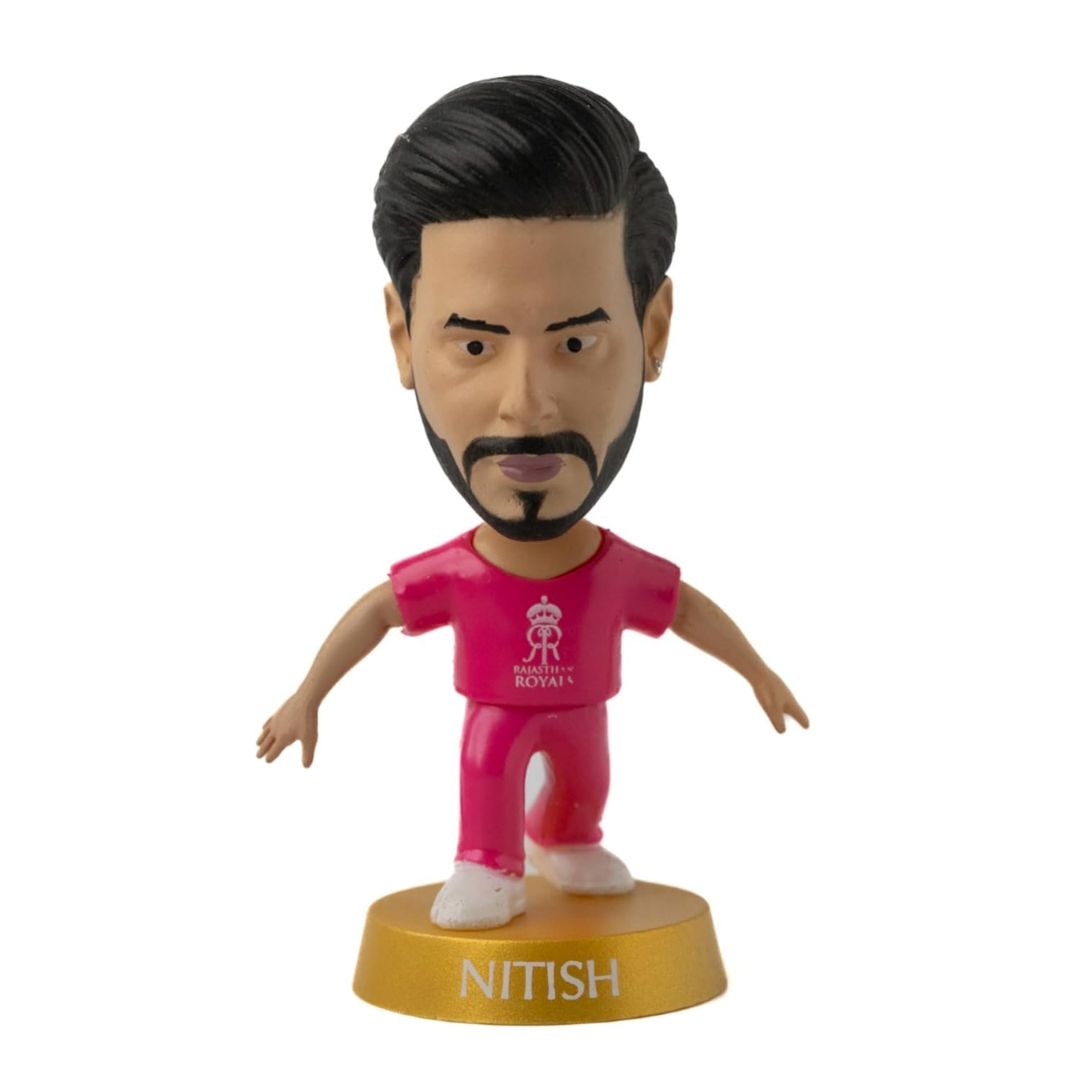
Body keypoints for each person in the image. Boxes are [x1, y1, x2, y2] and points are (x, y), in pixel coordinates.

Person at [256, 75, 808, 930]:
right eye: (475, 346)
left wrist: (758, 673)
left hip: (585, 717)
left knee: (586, 782)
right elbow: (377, 613)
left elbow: (687, 611)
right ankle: (486, 860)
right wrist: (308, 694)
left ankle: (568, 838)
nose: (526, 406)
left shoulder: (616, 570)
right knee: (489, 769)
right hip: (495, 722)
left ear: (653, 331)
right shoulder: (458, 572)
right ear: (404, 338)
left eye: (576, 342)